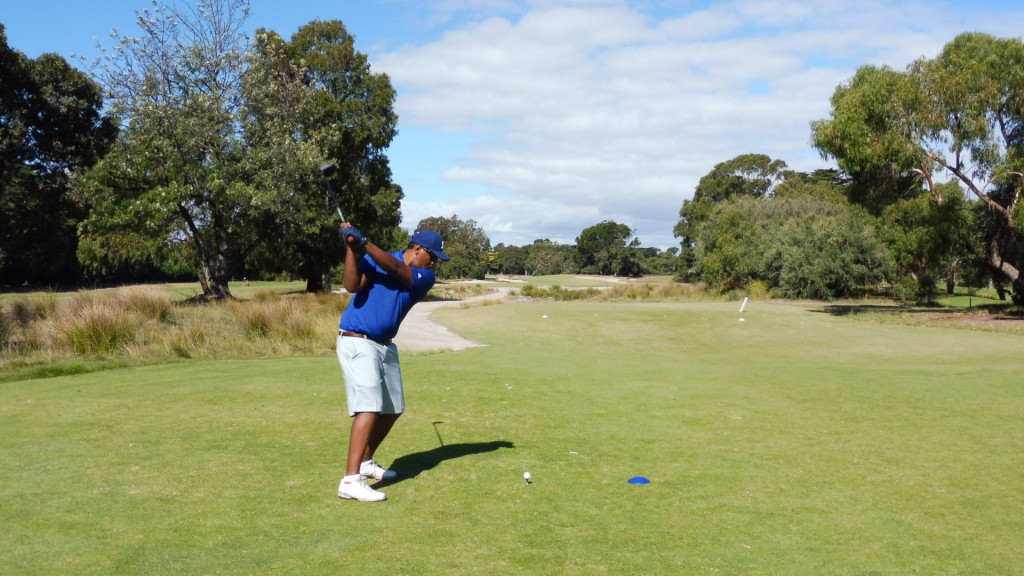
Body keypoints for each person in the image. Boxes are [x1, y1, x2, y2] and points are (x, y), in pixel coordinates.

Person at [335, 222, 450, 502]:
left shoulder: (424, 276)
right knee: (369, 408)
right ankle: (351, 480)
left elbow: (397, 270)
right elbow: (352, 285)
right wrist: (352, 249)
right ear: (418, 249)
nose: (434, 262)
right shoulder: (378, 258)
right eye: (432, 256)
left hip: (385, 346)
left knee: (392, 408)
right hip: (357, 340)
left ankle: (365, 462)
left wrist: (364, 244)